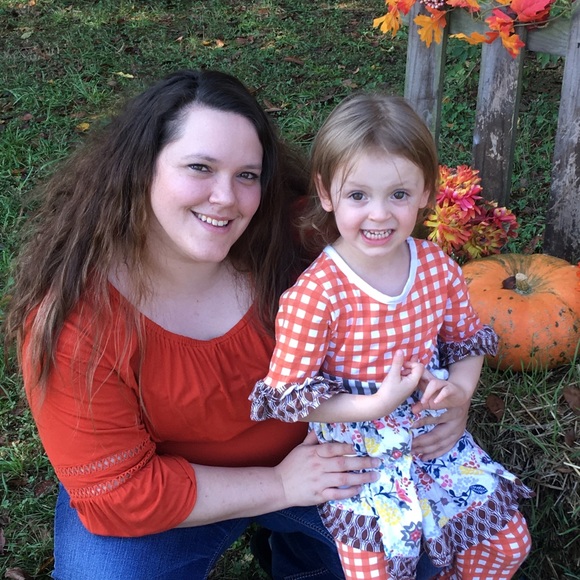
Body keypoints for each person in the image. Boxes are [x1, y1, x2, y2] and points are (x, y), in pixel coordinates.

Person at [4, 70, 469, 580]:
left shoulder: (302, 240)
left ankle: (299, 558)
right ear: (140, 168)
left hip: (327, 456)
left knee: (428, 557)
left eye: (247, 175)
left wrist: (453, 398)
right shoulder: (77, 320)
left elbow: (410, 310)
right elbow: (118, 493)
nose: (226, 197)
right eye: (200, 167)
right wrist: (280, 485)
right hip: (176, 493)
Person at [250, 92, 533, 580]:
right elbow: (293, 398)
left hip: (432, 437)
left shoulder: (436, 267)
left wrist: (460, 390)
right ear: (326, 193)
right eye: (358, 196)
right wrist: (377, 404)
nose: (379, 214)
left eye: (398, 194)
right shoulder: (317, 295)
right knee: (380, 570)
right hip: (359, 458)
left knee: (507, 543)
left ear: (426, 192)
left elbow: (466, 342)